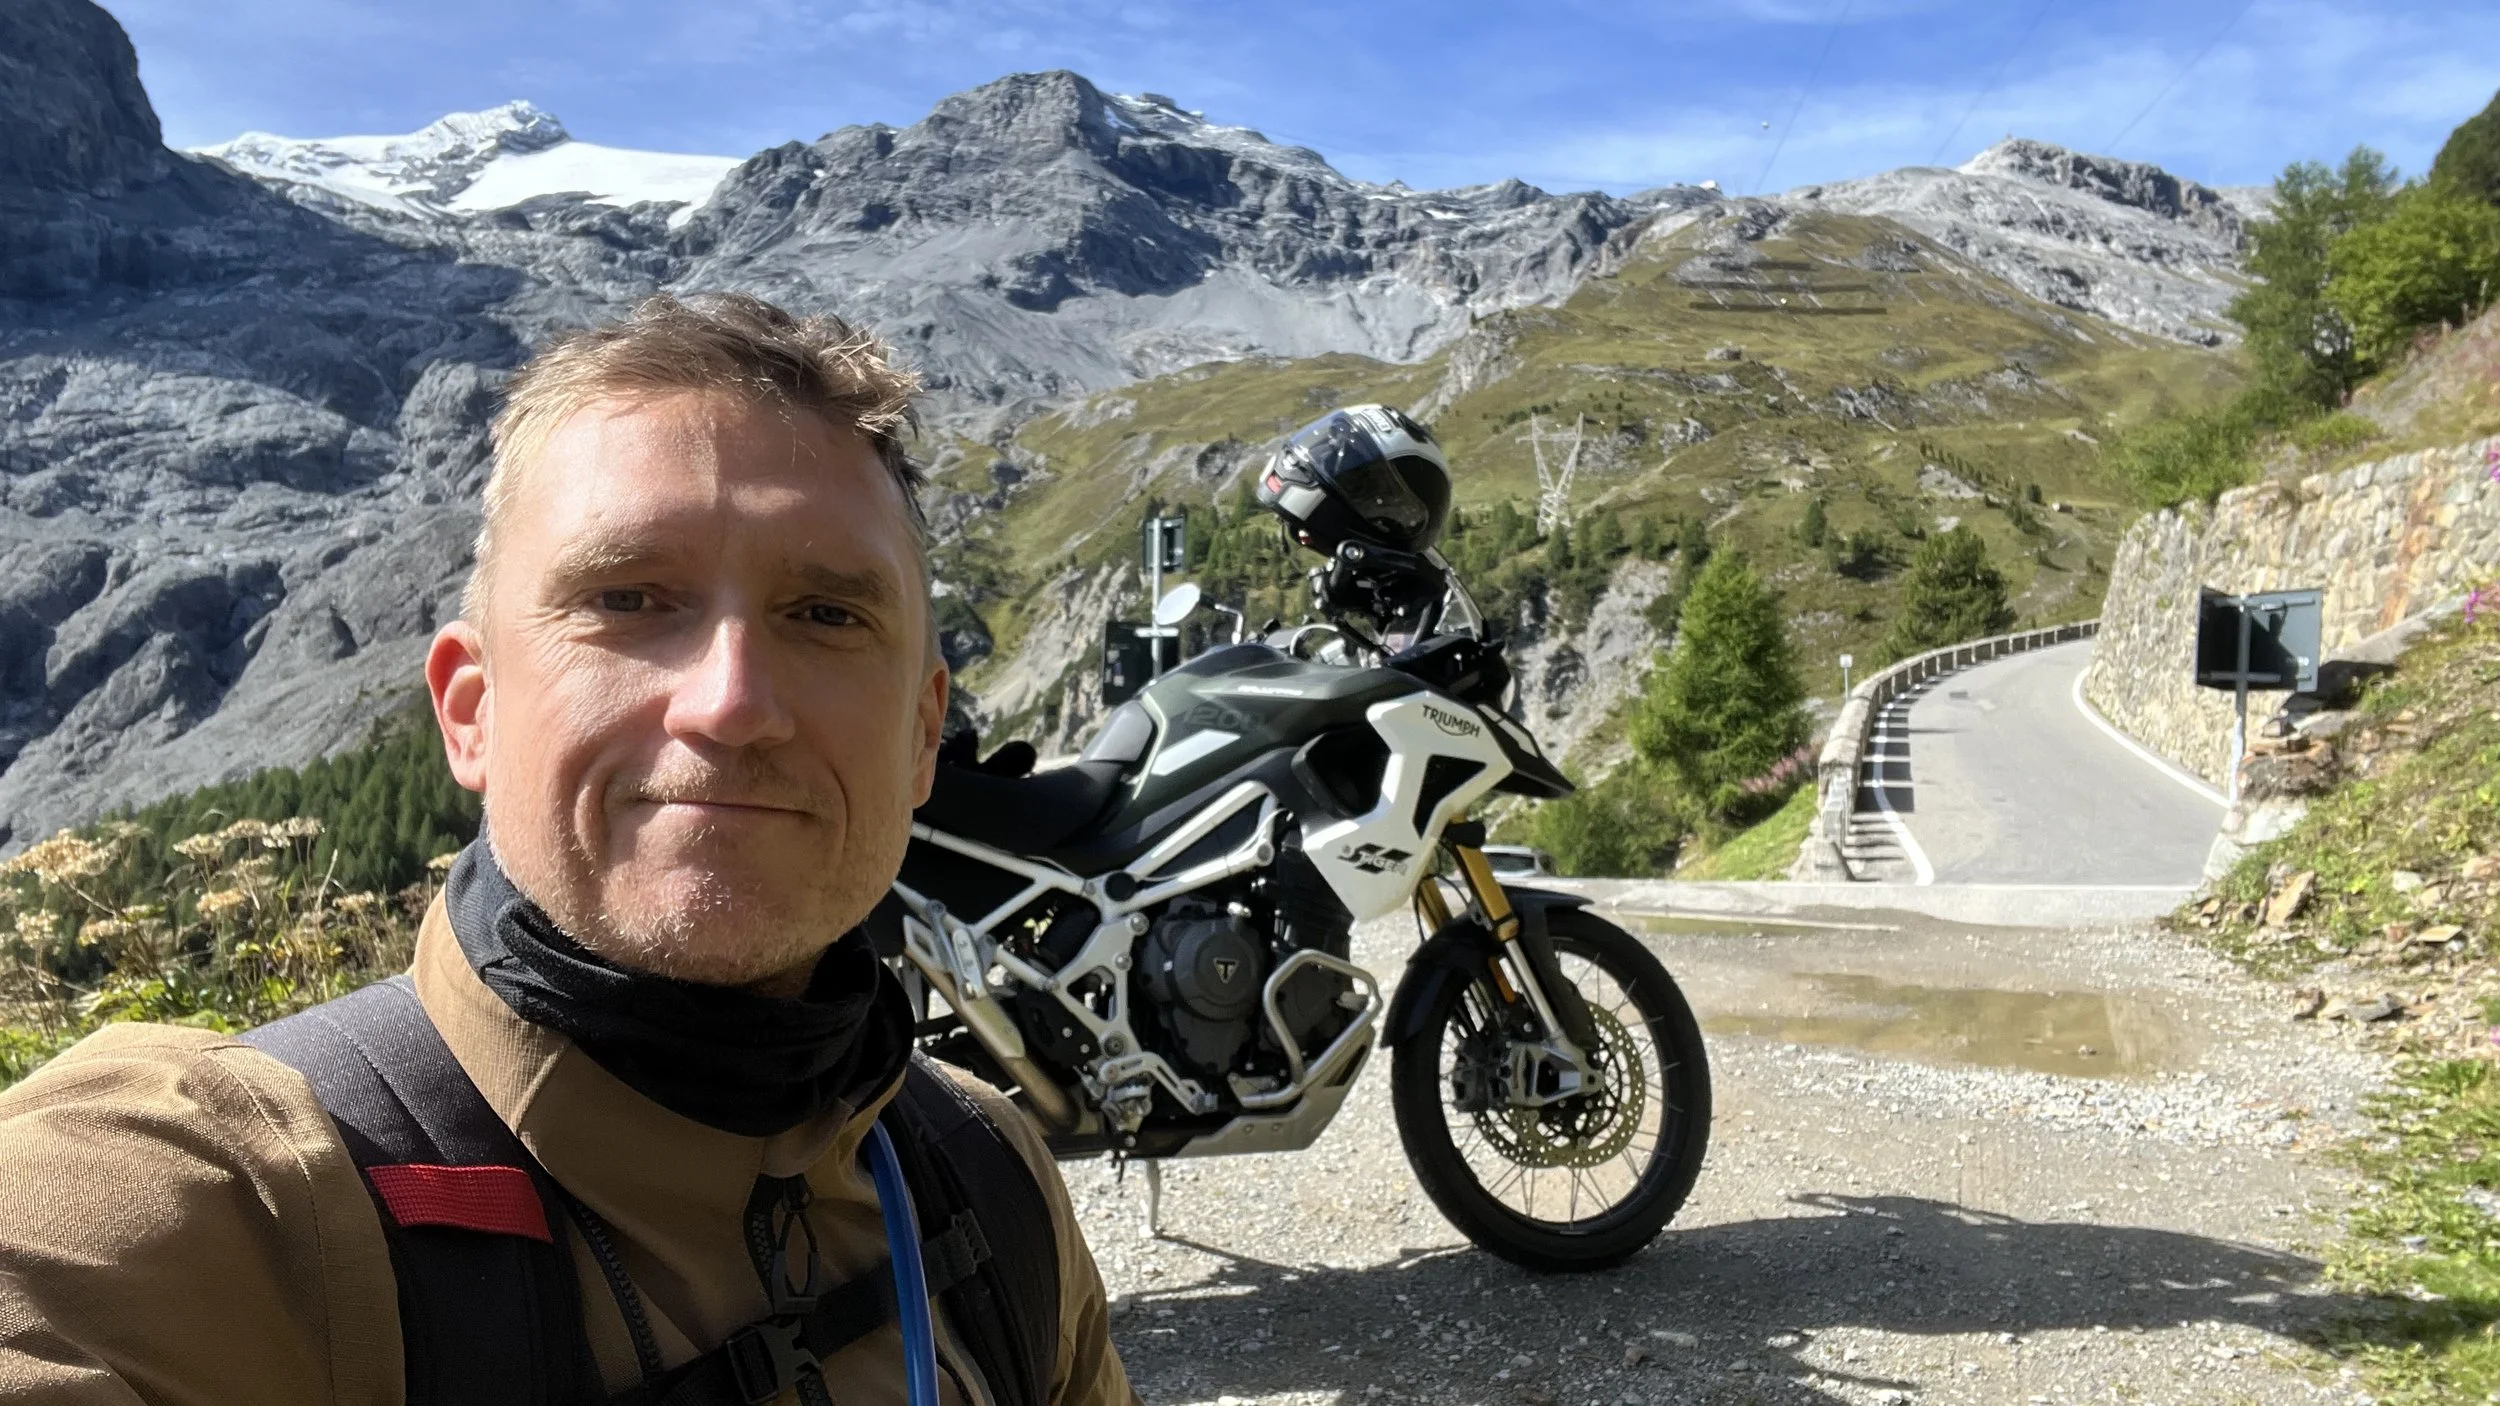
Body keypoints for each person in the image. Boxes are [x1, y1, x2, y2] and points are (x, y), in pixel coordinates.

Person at [0, 293, 1141, 1406]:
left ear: (924, 734)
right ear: (470, 710)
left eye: (828, 615)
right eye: (631, 596)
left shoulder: (986, 1174)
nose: (732, 703)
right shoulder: (211, 1201)